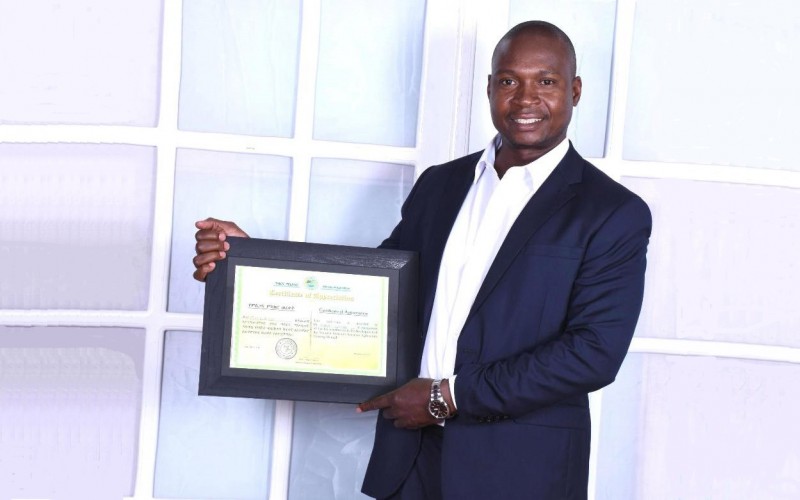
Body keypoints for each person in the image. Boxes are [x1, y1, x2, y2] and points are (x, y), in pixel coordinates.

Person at [193, 20, 651, 500]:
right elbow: (371, 293)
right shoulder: (441, 184)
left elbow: (593, 354)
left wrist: (445, 398)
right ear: (490, 87)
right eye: (509, 80)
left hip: (522, 471)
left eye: (547, 81)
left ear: (575, 91)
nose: (525, 99)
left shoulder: (612, 213)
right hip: (410, 461)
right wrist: (247, 261)